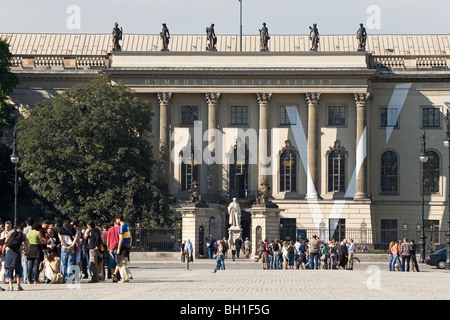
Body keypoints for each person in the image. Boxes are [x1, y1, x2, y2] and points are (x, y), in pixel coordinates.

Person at [4, 225, 28, 291]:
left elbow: (6, 242)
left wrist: (3, 251)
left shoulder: (10, 233)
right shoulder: (21, 234)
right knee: (18, 268)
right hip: (17, 252)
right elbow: (26, 242)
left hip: (10, 251)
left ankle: (10, 285)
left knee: (9, 268)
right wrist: (26, 249)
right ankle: (18, 285)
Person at [113, 214, 133, 283]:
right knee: (125, 261)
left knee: (121, 262)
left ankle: (124, 278)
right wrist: (130, 245)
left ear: (118, 219)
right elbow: (130, 236)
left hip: (123, 245)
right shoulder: (127, 226)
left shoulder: (121, 227)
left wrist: (118, 248)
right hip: (127, 245)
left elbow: (121, 238)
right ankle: (128, 275)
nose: (116, 221)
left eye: (116, 219)